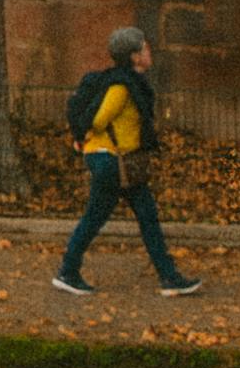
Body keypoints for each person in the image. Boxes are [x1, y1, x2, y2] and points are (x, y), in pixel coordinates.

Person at [53, 25, 197, 298]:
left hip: (121, 162)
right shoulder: (121, 86)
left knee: (145, 216)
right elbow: (97, 119)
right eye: (144, 47)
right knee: (98, 218)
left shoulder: (130, 82)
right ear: (134, 56)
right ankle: (68, 272)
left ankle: (169, 277)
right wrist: (84, 136)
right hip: (110, 162)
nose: (148, 51)